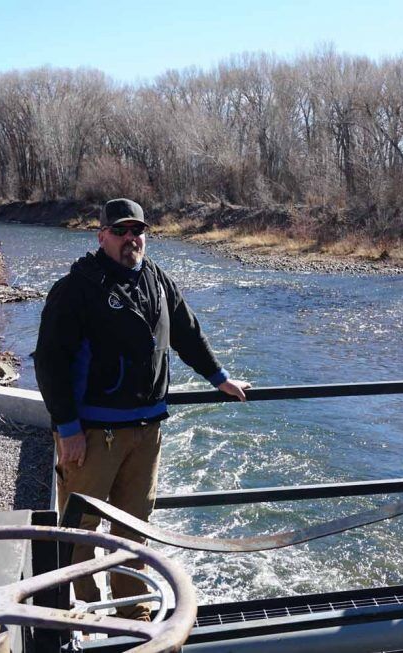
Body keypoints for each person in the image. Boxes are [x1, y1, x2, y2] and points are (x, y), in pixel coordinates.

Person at [35, 198, 250, 619]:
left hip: (146, 431)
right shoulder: (76, 288)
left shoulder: (156, 279)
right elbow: (49, 362)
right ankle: (82, 614)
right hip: (94, 435)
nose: (131, 238)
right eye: (120, 231)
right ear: (101, 237)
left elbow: (187, 333)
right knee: (81, 531)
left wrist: (219, 377)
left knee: (133, 528)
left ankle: (133, 614)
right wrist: (68, 427)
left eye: (138, 231)